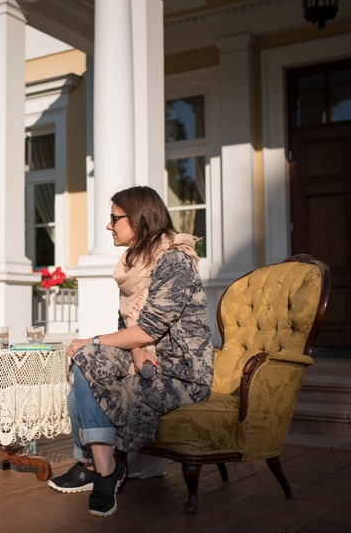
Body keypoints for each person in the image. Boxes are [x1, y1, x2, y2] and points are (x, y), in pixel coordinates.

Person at [48, 186, 214, 517]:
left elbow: (149, 329)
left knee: (85, 367)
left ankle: (95, 468)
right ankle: (105, 469)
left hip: (181, 371)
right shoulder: (135, 264)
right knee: (86, 360)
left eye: (114, 218)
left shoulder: (175, 262)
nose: (108, 226)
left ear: (138, 219)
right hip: (150, 359)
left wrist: (93, 340)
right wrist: (133, 352)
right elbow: (127, 326)